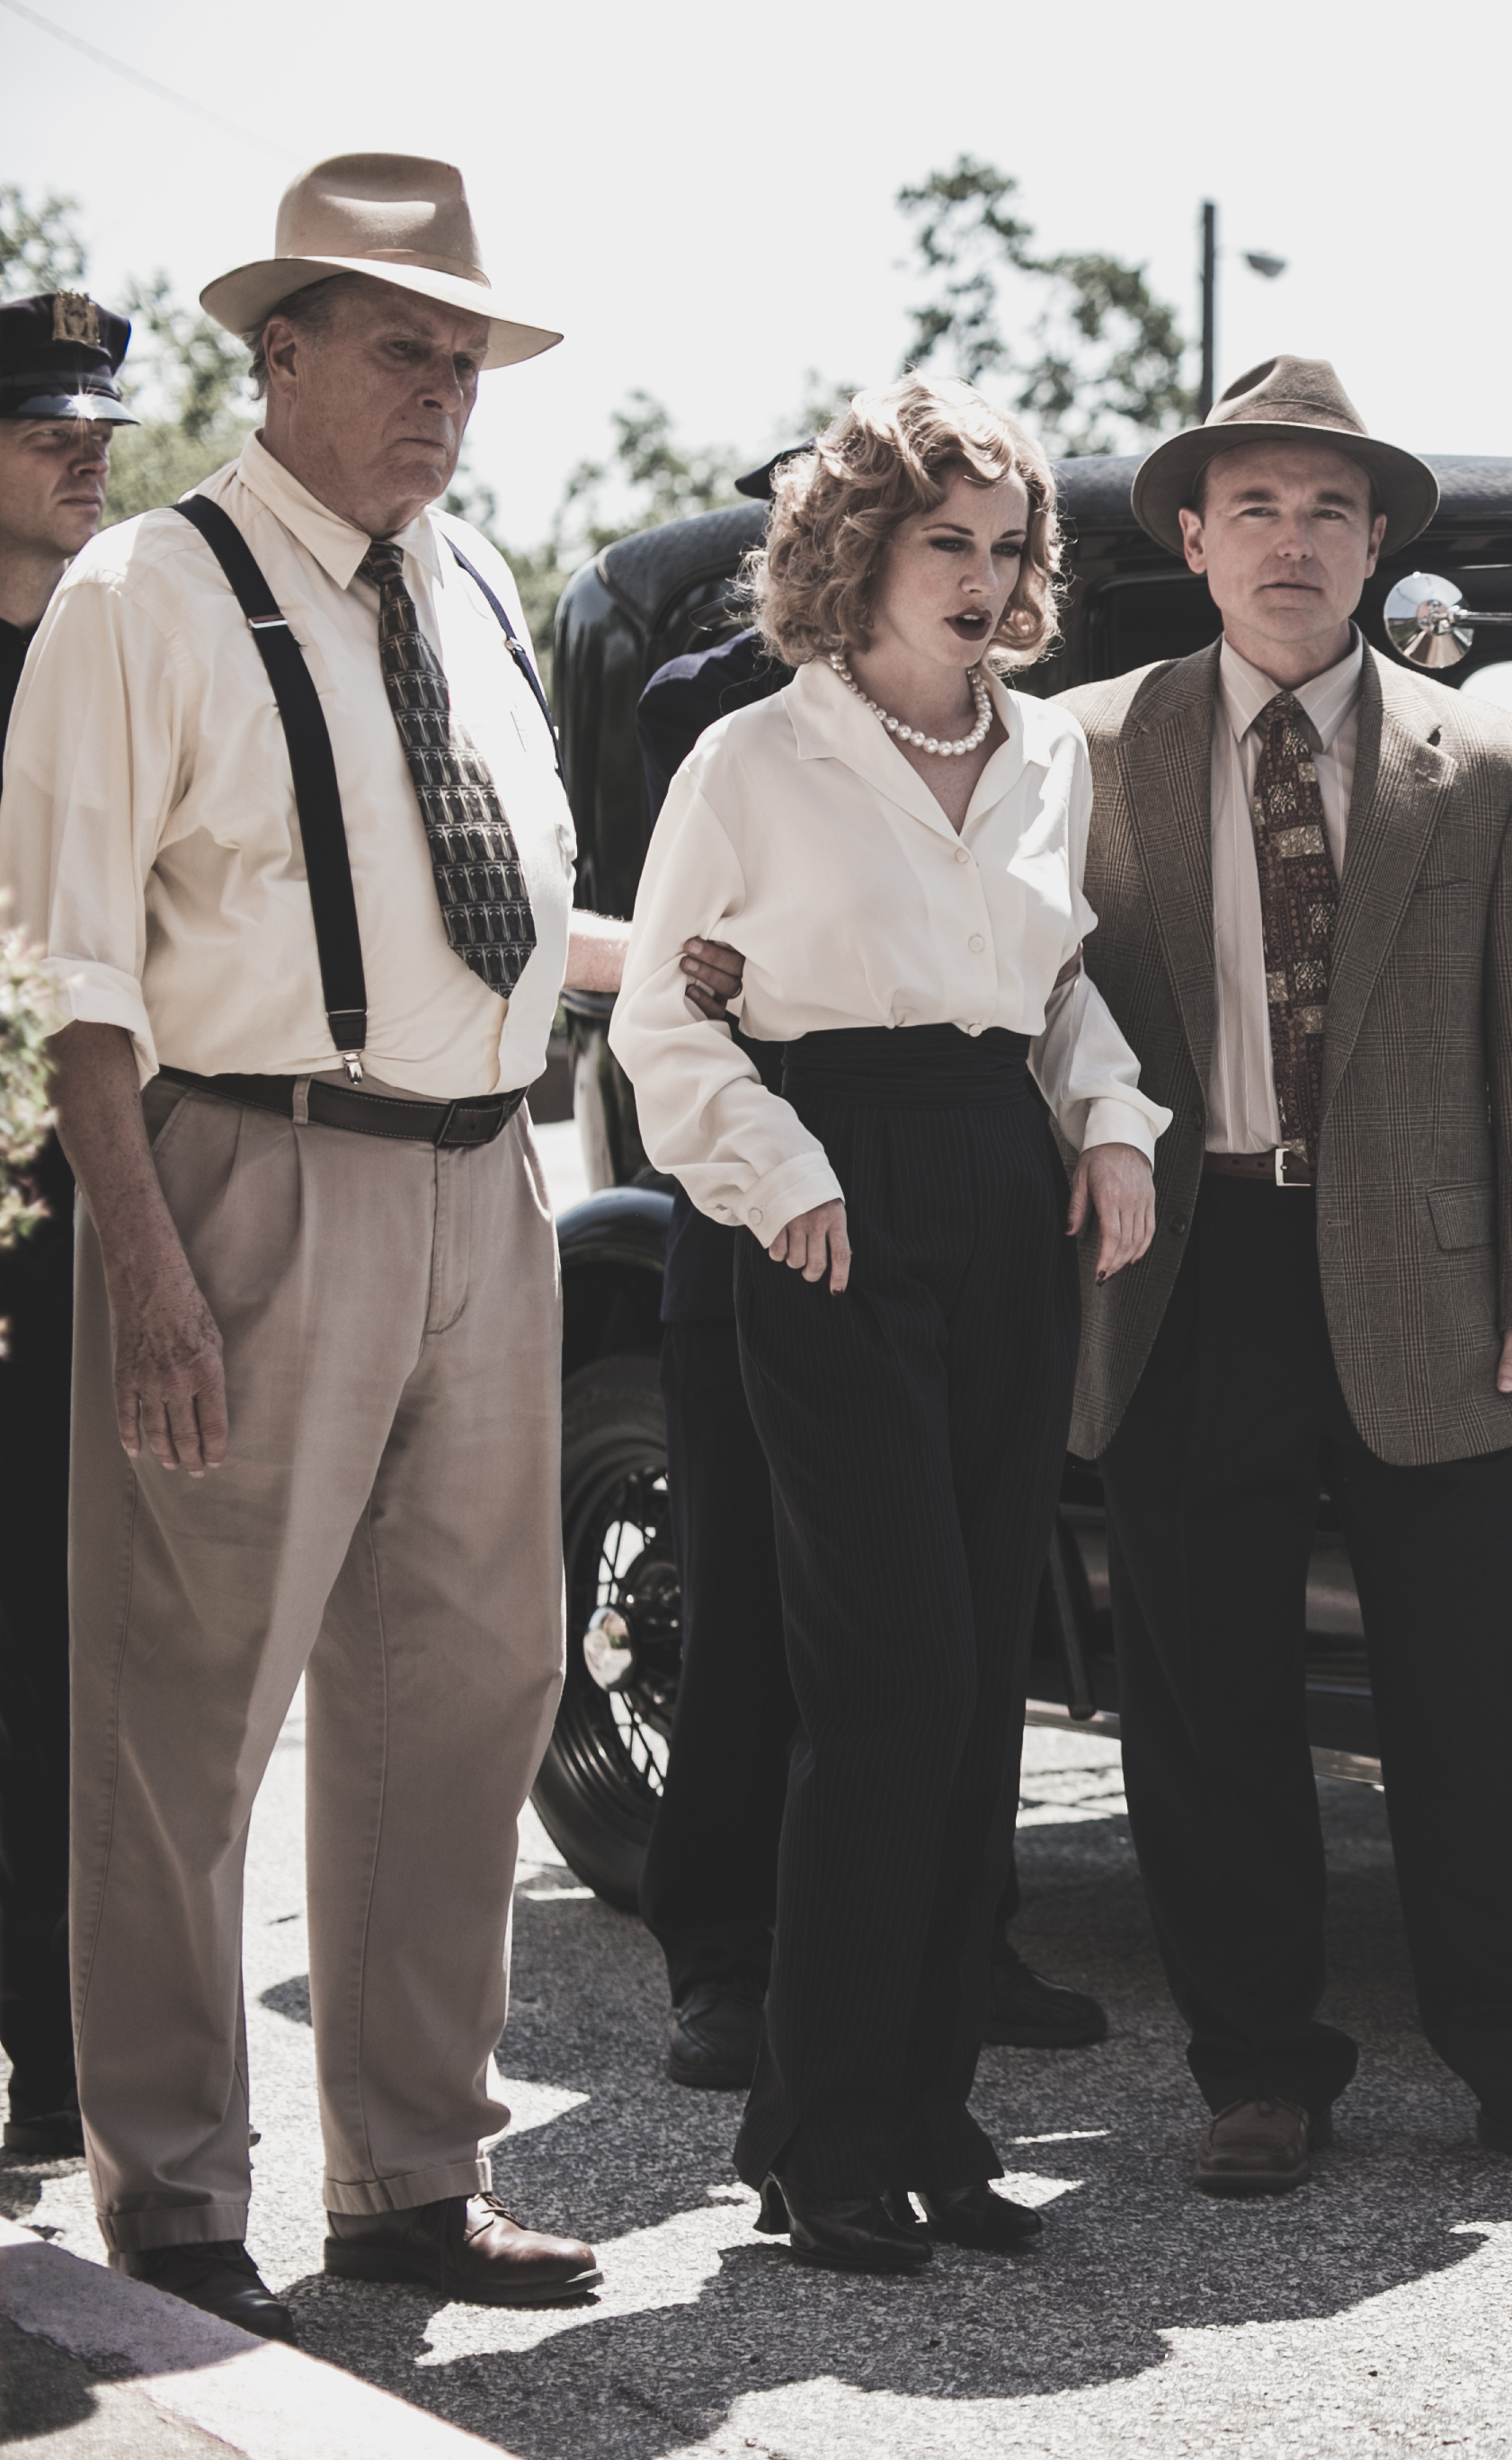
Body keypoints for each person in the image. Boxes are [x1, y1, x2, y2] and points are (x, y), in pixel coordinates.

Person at [0, 155, 604, 2341]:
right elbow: (73, 966)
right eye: (398, 345)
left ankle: (410, 2183)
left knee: (470, 1691)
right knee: (186, 1708)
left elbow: (505, 910)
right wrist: (142, 1255)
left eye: (466, 356)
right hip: (243, 1176)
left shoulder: (485, 586)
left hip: (488, 1177)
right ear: (280, 355)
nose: (444, 390)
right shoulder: (144, 589)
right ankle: (168, 2201)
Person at [1060, 356, 1512, 2197]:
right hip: (1181, 1264)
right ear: (1193, 535)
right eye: (1255, 505)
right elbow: (1038, 1018)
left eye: (1329, 509)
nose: (1292, 541)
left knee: (1463, 1707)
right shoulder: (1083, 747)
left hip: (1432, 1279)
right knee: (1206, 1699)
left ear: (1377, 536)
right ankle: (1259, 2073)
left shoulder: (1486, 760)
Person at [611, 375, 1162, 2275]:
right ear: (859, 550)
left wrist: (1110, 1124)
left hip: (1006, 1206)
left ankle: (930, 2118)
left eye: (1013, 552)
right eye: (954, 544)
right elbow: (664, 1027)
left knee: (978, 1683)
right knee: (891, 1684)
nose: (991, 583)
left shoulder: (1048, 757)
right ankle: (815, 2133)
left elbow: (1057, 989)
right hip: (828, 1207)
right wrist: (784, 1174)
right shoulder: (751, 765)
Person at [0, 288, 141, 2172]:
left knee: (60, 1634)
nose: (86, 445)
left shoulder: (118, 656)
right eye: (46, 423)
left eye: (100, 422)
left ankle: (55, 2051)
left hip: (92, 1199)